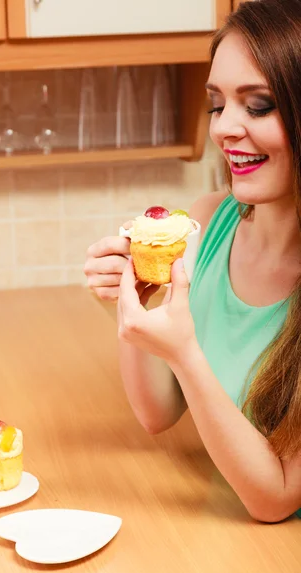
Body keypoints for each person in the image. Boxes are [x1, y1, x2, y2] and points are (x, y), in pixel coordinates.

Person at [84, 0, 301, 523]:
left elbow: (275, 498)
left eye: (259, 105)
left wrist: (184, 354)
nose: (225, 128)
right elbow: (157, 413)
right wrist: (135, 307)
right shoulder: (206, 226)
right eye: (217, 104)